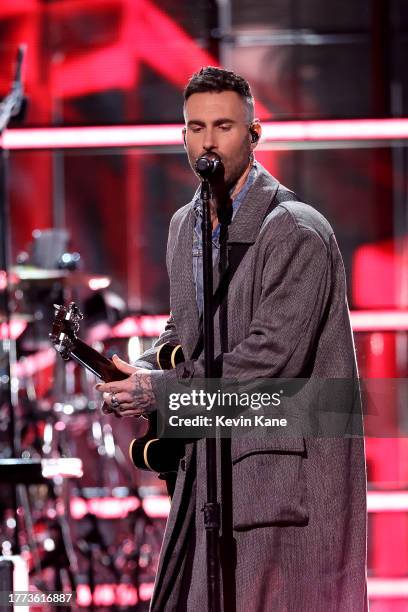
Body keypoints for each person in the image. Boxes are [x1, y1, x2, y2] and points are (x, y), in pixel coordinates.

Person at [96, 66, 368, 611]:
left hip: (284, 487)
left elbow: (270, 360)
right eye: (196, 127)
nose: (208, 141)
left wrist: (161, 392)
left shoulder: (296, 230)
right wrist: (140, 370)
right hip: (210, 476)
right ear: (183, 137)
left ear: (253, 133)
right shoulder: (184, 226)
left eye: (223, 126)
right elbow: (186, 332)